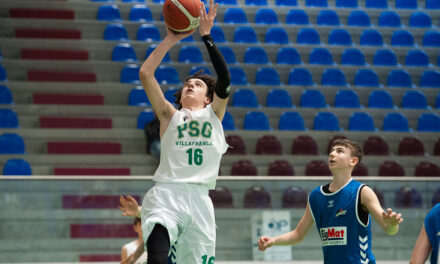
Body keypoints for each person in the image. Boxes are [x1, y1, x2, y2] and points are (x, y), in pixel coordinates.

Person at [119, 0, 230, 263]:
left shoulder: (214, 115)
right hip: (166, 194)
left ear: (208, 98)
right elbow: (146, 73)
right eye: (188, 84)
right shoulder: (170, 115)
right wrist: (171, 38)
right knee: (156, 256)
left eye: (198, 85)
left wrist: (206, 36)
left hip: (200, 201)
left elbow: (225, 79)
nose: (191, 85)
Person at [258, 138, 404, 263]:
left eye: (339, 151)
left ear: (353, 161)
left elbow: (389, 229)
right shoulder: (316, 196)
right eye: (332, 151)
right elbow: (298, 234)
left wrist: (392, 225)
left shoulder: (362, 192)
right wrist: (273, 241)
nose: (332, 154)